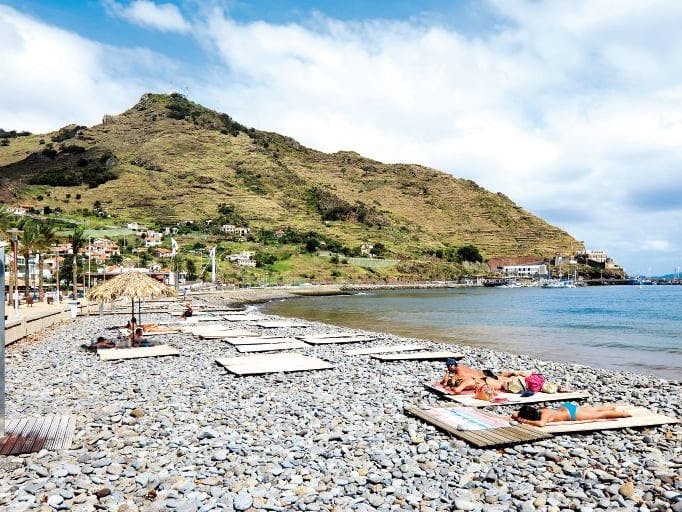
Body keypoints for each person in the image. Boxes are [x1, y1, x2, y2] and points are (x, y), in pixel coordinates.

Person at [440, 358, 530, 394]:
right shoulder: (461, 368)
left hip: (485, 379)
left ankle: (523, 379)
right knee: (500, 377)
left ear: (452, 366)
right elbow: (446, 382)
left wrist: (448, 376)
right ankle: (515, 374)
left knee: (504, 383)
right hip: (484, 374)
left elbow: (444, 383)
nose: (448, 368)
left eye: (448, 366)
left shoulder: (459, 375)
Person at [511, 403, 631, 427]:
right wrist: (518, 416)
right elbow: (515, 413)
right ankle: (610, 407)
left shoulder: (544, 416)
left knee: (600, 415)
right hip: (566, 407)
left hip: (572, 414)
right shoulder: (542, 411)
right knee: (591, 410)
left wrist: (525, 421)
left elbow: (541, 424)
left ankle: (623, 414)